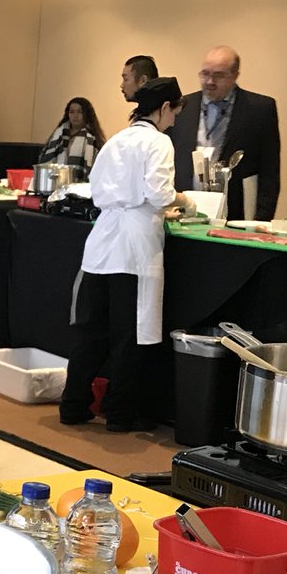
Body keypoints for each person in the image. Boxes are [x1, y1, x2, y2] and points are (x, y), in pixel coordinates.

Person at [59, 77, 194, 434]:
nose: (175, 120)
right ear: (164, 108)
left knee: (90, 333)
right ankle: (119, 415)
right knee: (128, 336)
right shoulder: (159, 141)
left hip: (103, 240)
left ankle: (73, 406)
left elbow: (99, 189)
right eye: (175, 112)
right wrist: (185, 201)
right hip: (135, 245)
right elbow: (160, 193)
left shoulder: (116, 139)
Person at [168, 45, 280, 220]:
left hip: (235, 213)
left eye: (218, 75)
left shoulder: (260, 109)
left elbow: (270, 172)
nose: (210, 81)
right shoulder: (182, 107)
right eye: (205, 74)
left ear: (235, 75)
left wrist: (261, 221)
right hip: (183, 211)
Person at [37, 97, 107, 172]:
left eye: (80, 112)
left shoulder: (92, 139)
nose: (75, 116)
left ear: (86, 114)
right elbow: (45, 160)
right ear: (68, 114)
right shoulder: (58, 135)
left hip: (82, 181)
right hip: (56, 178)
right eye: (72, 112)